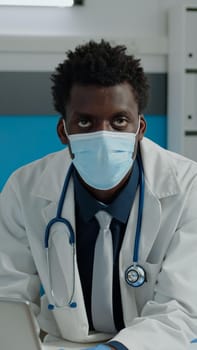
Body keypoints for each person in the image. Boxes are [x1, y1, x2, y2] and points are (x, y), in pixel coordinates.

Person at [0, 40, 197, 350]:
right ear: (63, 131)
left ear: (140, 128)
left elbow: (182, 309)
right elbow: (8, 300)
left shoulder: (188, 187)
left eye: (119, 121)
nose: (104, 134)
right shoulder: (25, 189)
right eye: (85, 122)